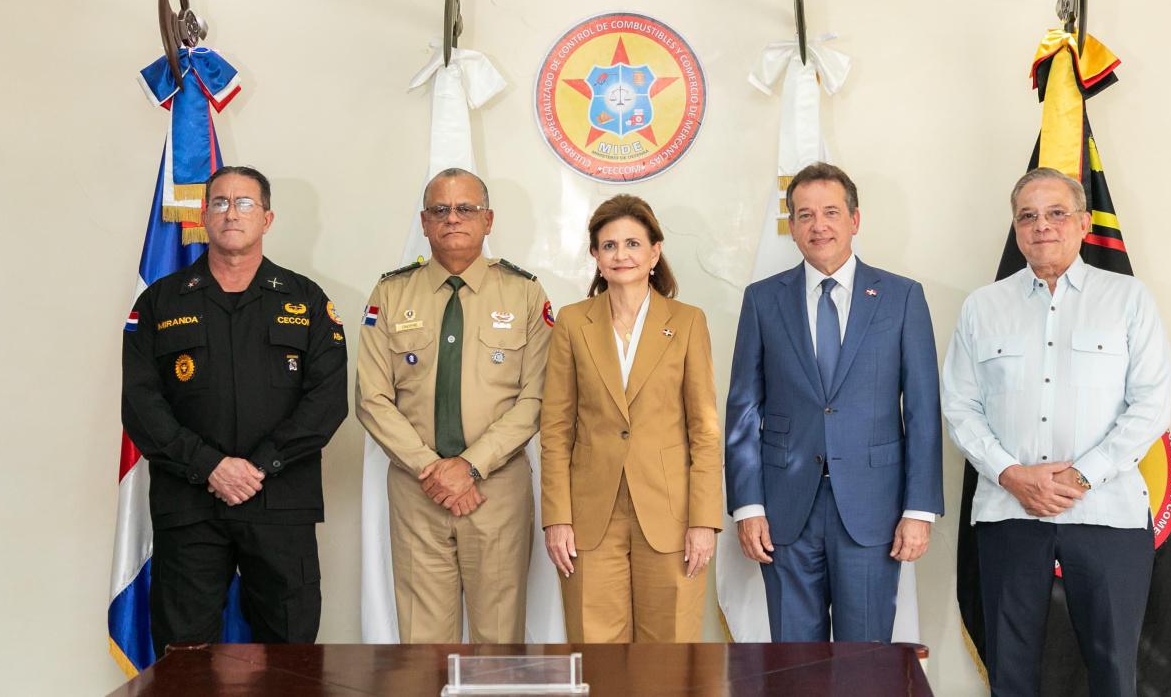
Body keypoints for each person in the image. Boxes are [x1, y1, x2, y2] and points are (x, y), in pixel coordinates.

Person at [942, 167, 1171, 696]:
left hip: (1107, 513)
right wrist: (1011, 474)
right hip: (1009, 512)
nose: (1041, 225)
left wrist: (1082, 476)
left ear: (1084, 223)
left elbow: (1151, 404)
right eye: (1028, 216)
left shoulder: (1128, 299)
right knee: (1011, 670)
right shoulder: (983, 306)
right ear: (1016, 228)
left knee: (1113, 671)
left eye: (1056, 213)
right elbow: (959, 406)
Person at [122, 165, 348, 655]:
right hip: (190, 504)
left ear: (267, 218)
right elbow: (141, 405)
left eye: (245, 203)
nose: (231, 213)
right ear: (204, 216)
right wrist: (210, 466)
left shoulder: (307, 300)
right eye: (220, 203)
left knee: (289, 655)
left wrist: (258, 467)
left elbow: (327, 402)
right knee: (183, 659)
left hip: (280, 502)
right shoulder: (160, 302)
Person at [725, 162, 943, 642]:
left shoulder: (901, 297)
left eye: (830, 212)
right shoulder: (762, 300)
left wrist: (919, 509)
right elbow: (743, 409)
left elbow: (923, 411)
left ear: (854, 220)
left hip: (873, 509)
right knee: (794, 662)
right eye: (804, 215)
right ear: (792, 227)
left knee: (863, 662)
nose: (818, 226)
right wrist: (747, 506)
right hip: (784, 511)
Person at [355, 168, 552, 644]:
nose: (453, 219)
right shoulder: (391, 292)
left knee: (499, 639)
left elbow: (537, 397)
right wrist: (433, 470)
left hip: (496, 489)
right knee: (422, 644)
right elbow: (371, 397)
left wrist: (470, 466)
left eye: (466, 209)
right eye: (440, 210)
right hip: (417, 490)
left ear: (488, 220)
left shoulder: (524, 292)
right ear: (424, 222)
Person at [540, 194, 722, 643]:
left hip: (671, 514)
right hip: (589, 515)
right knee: (596, 648)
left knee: (669, 651)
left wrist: (704, 520)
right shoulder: (572, 322)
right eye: (609, 245)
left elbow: (704, 430)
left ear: (655, 252)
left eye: (633, 244)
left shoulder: (687, 322)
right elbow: (556, 429)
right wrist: (556, 517)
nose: (621, 255)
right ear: (595, 256)